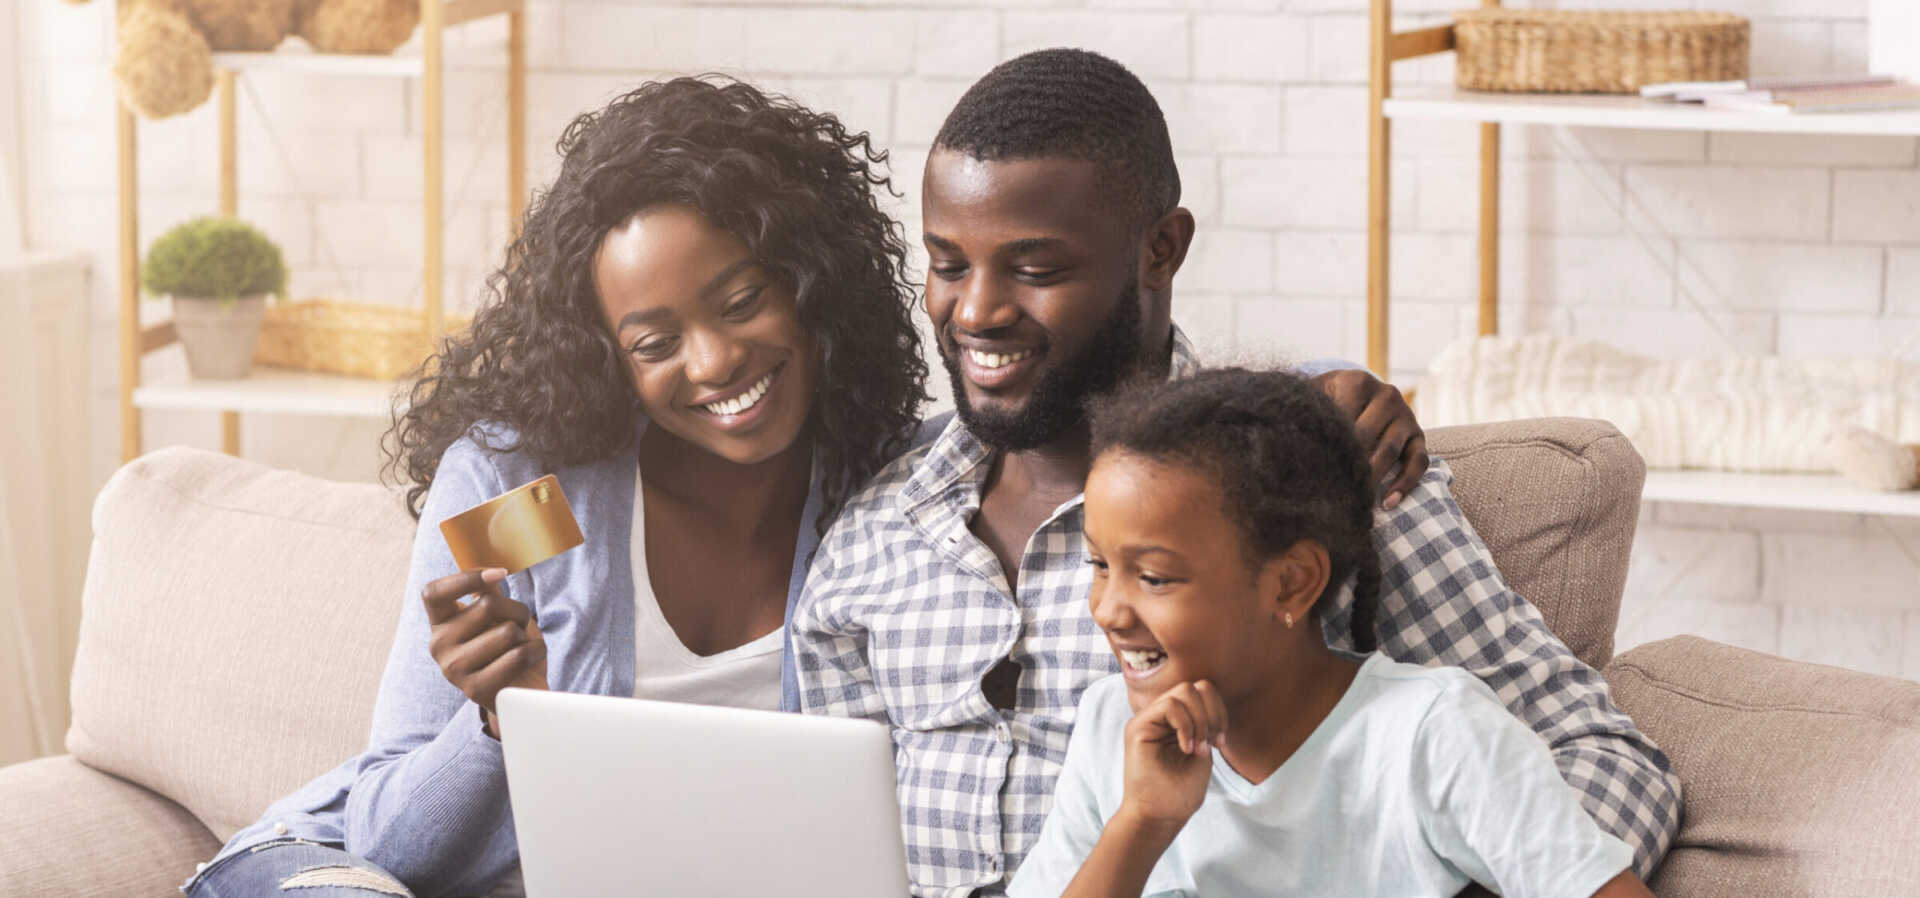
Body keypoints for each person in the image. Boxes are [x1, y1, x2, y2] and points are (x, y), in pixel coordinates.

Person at [791, 48, 1680, 898]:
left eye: (1034, 268)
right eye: (947, 264)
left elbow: (1600, 758)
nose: (975, 310)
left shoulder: (1318, 477)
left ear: (1160, 251)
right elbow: (818, 851)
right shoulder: (874, 535)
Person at [183, 76, 928, 897]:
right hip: (335, 873)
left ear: (810, 279)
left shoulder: (883, 489)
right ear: (608, 359)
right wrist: (502, 720)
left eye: (742, 301)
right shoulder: (535, 499)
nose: (714, 362)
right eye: (655, 343)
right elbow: (394, 843)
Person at [1007, 367, 1655, 898]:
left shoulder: (1432, 734)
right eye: (1099, 566)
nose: (1108, 610)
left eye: (1153, 578)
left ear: (1291, 584)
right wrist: (1142, 823)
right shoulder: (1107, 728)